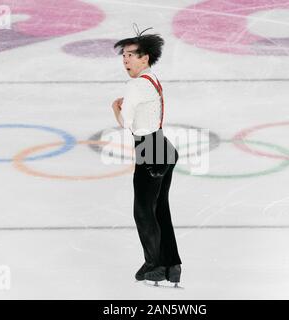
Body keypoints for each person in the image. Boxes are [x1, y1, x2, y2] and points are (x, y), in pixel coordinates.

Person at [111, 26, 182, 285]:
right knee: (159, 209)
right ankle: (172, 265)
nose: (126, 60)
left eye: (131, 55)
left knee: (143, 212)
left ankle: (155, 265)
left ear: (145, 58)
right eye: (124, 56)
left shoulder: (135, 85)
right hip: (162, 147)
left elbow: (125, 122)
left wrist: (114, 107)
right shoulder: (151, 78)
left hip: (150, 150)